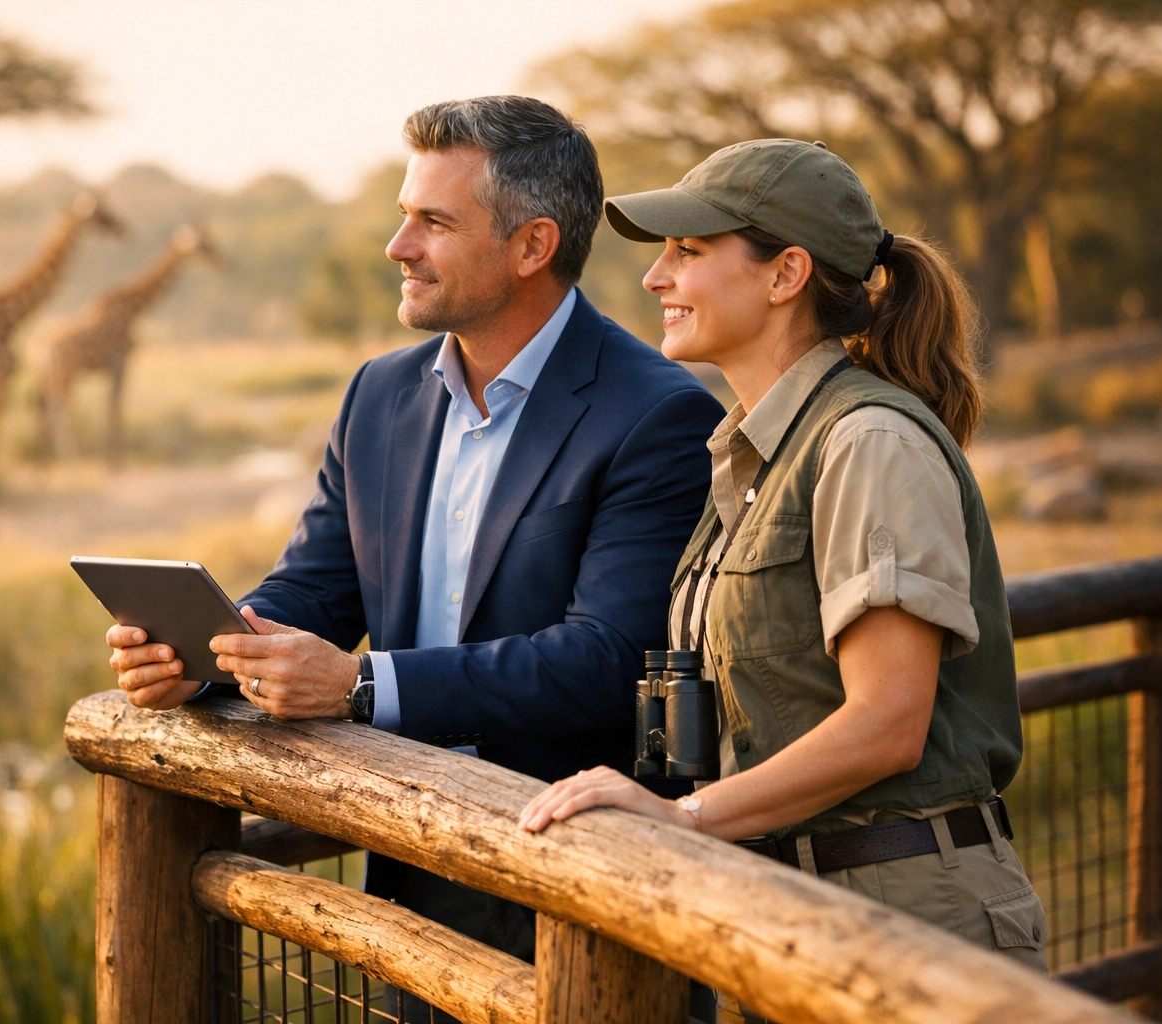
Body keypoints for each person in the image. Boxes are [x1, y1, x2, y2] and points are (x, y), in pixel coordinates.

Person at [105, 95, 723, 1016]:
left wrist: (359, 688)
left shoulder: (660, 414)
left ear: (531, 246)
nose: (398, 245)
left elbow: (606, 660)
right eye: (405, 215)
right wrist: (205, 656)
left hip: (574, 885)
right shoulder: (380, 393)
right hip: (406, 861)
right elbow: (317, 585)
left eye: (432, 221)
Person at [518, 139, 1048, 1018]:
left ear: (785, 273)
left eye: (688, 251)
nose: (656, 279)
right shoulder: (755, 454)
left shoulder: (867, 441)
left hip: (906, 916)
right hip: (790, 909)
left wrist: (685, 820)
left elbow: (887, 723)